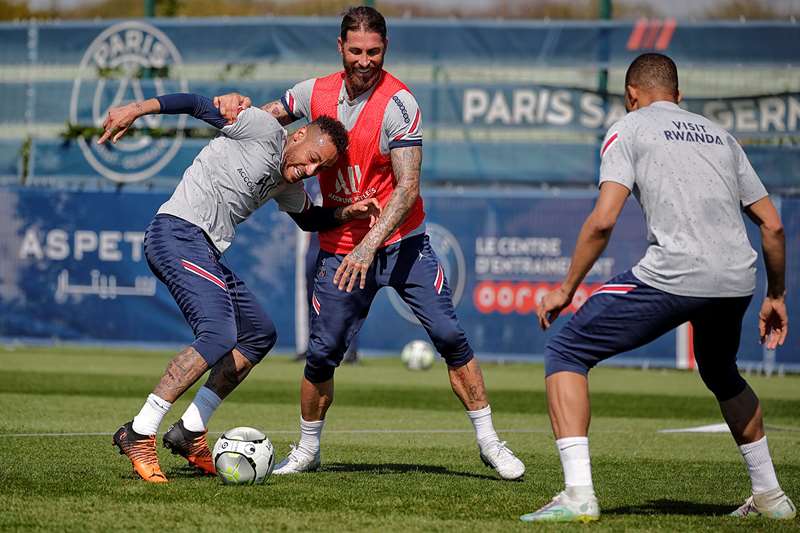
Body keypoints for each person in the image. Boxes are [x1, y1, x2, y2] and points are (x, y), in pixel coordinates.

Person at [215, 6, 524, 480]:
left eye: (374, 52)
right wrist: (236, 106)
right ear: (340, 47)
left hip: (403, 245)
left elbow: (407, 188)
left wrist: (368, 246)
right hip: (340, 247)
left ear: (386, 49)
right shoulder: (312, 92)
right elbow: (264, 118)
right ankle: (308, 449)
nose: (364, 60)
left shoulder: (401, 104)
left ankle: (489, 442)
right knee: (323, 353)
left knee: (448, 335)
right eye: (356, 51)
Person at [520, 53, 795, 522]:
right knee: (720, 372)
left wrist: (566, 289)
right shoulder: (722, 136)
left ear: (631, 96)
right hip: (737, 279)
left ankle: (578, 495)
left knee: (566, 349)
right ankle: (771, 497)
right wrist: (776, 295)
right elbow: (771, 225)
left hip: (676, 274)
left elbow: (604, 220)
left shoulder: (629, 128)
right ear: (679, 96)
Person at [99, 92, 379, 483]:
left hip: (205, 250)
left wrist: (348, 211)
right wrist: (134, 109)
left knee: (258, 335)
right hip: (176, 232)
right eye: (312, 157)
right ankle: (140, 432)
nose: (311, 169)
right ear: (297, 137)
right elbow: (197, 104)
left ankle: (190, 430)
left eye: (322, 167)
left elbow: (310, 219)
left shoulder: (287, 184)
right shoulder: (262, 129)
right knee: (216, 333)